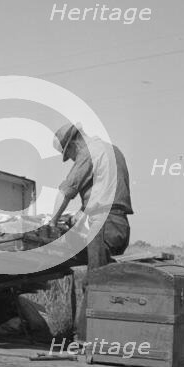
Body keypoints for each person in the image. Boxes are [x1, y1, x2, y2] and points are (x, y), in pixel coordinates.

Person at [51, 122, 133, 340]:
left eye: (68, 154)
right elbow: (104, 194)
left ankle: (87, 340)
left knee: (94, 282)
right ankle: (109, 336)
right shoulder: (112, 150)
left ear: (73, 143)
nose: (71, 158)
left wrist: (51, 222)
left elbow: (67, 189)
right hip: (119, 225)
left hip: (103, 225)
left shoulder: (88, 153)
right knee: (103, 281)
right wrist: (79, 215)